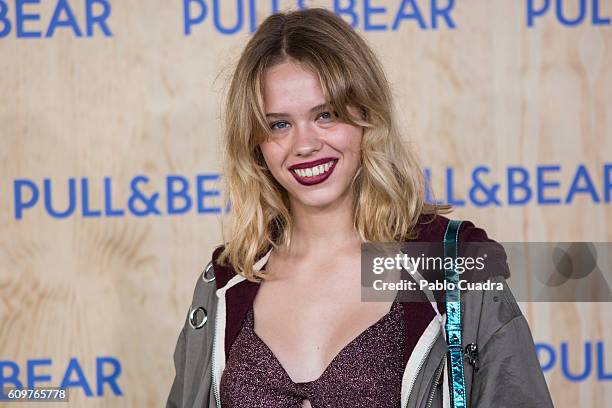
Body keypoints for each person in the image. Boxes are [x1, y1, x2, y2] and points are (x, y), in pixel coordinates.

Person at [166, 7, 553, 408]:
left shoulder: (453, 263)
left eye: (326, 115)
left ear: (368, 116)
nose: (305, 144)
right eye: (279, 124)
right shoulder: (225, 282)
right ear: (254, 142)